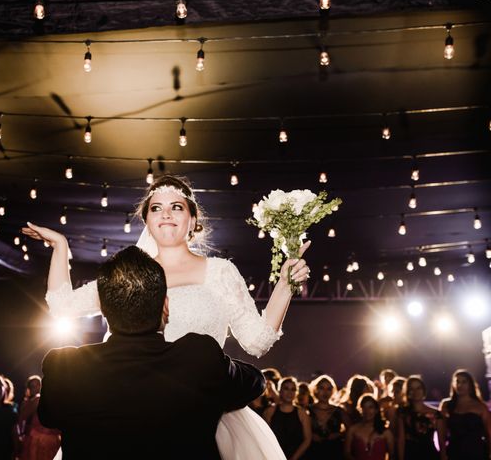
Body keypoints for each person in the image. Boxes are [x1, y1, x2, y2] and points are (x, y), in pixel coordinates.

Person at [23, 174, 310, 459]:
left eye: (177, 207)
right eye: (156, 208)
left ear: (193, 219)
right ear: (146, 220)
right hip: (126, 409)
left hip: (201, 415)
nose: (166, 215)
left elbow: (257, 341)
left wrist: (284, 286)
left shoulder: (219, 272)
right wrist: (60, 247)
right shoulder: (131, 275)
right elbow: (62, 307)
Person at [37, 245, 268, 459]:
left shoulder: (64, 366)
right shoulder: (198, 358)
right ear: (165, 306)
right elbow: (256, 382)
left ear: (104, 311)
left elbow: (48, 416)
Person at [439, 369, 491, 460]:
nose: (460, 385)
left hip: (476, 452)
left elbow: (489, 433)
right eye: (457, 381)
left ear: (470, 385)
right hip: (454, 451)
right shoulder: (446, 405)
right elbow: (441, 432)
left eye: (464, 382)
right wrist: (443, 453)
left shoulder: (480, 406)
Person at [397, 375, 445, 460]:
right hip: (410, 455)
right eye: (412, 389)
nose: (415, 391)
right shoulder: (403, 413)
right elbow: (401, 440)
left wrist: (443, 457)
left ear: (423, 390)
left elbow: (441, 441)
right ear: (408, 392)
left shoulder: (436, 413)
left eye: (418, 388)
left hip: (429, 454)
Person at [263, 376, 312, 460]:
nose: (290, 392)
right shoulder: (269, 412)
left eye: (293, 389)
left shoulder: (302, 413)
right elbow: (264, 437)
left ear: (296, 392)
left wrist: (293, 458)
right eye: (286, 388)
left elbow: (307, 439)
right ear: (280, 391)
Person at [16, 375, 61, 460]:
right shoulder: (37, 400)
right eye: (33, 386)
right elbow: (21, 419)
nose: (36, 388)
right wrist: (20, 436)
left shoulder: (52, 400)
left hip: (53, 442)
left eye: (38, 385)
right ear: (29, 389)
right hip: (38, 442)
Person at [307, 374, 347, 460]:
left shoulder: (339, 411)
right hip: (312, 452)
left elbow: (352, 430)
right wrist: (309, 435)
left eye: (329, 389)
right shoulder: (307, 410)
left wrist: (339, 434)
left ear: (332, 391)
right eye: (322, 388)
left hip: (334, 452)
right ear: (316, 390)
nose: (325, 392)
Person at [345, 394, 394, 460]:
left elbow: (392, 455)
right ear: (360, 410)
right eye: (364, 407)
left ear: (376, 410)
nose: (367, 411)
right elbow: (346, 453)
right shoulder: (352, 430)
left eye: (370, 407)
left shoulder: (386, 433)